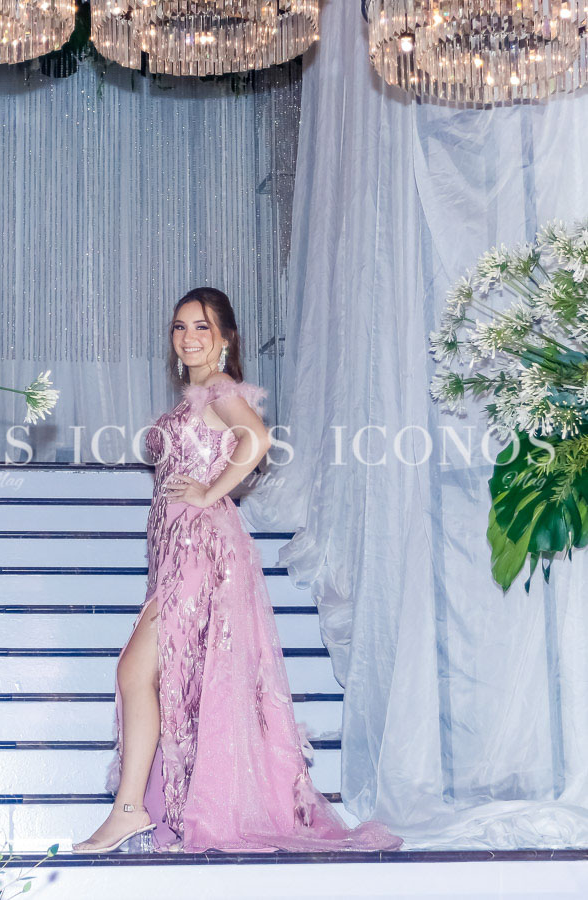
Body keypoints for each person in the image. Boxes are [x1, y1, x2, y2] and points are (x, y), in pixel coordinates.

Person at [73, 287, 402, 853]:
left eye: (202, 327)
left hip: (203, 551)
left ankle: (129, 810)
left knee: (134, 671)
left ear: (225, 338)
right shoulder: (196, 395)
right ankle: (138, 807)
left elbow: (257, 439)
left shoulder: (220, 390)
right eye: (180, 327)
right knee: (160, 678)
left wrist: (208, 492)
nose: (188, 337)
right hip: (177, 552)